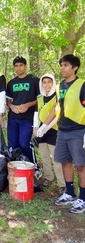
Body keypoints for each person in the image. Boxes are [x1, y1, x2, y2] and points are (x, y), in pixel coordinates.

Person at [37, 55, 85, 214]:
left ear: (75, 67)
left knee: (81, 165)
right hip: (62, 130)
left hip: (78, 130)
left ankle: (83, 198)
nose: (62, 68)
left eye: (66, 65)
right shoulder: (60, 87)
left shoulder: (82, 85)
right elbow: (56, 107)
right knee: (65, 162)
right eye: (61, 65)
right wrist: (44, 125)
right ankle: (69, 193)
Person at [6, 56, 41, 177]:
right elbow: (8, 100)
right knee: (13, 145)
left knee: (24, 143)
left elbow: (40, 99)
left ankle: (35, 167)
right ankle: (16, 169)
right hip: (13, 118)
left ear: (25, 66)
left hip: (28, 117)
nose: (18, 68)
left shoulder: (34, 80)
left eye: (21, 65)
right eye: (16, 66)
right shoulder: (11, 82)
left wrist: (27, 105)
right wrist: (11, 107)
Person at [33, 73, 65, 193]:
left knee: (56, 158)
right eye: (44, 82)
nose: (47, 85)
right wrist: (36, 128)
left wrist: (45, 128)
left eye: (49, 82)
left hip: (53, 130)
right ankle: (48, 177)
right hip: (41, 131)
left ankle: (62, 184)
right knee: (44, 155)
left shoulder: (57, 96)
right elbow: (36, 113)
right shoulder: (40, 97)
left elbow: (57, 115)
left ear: (53, 83)